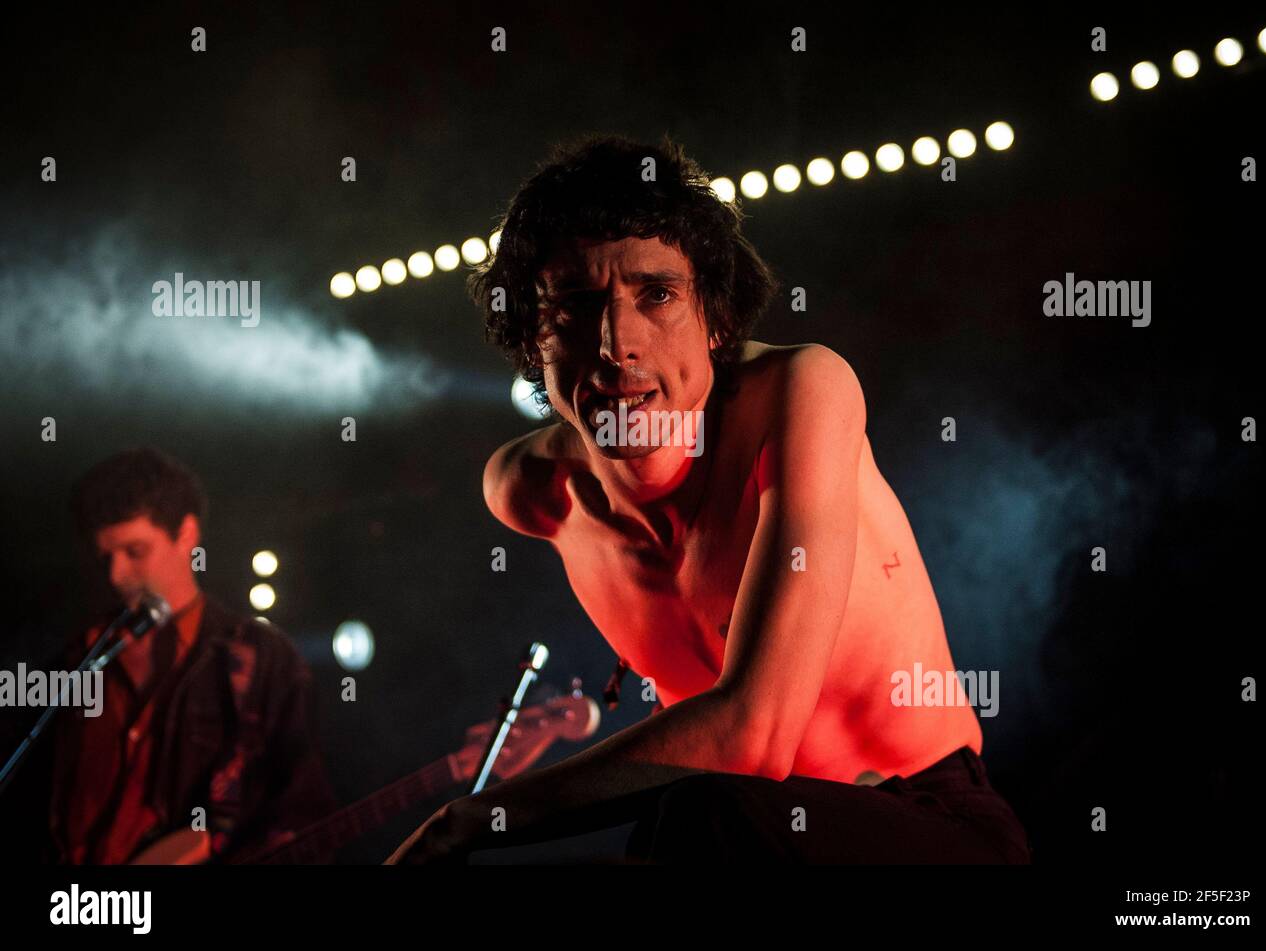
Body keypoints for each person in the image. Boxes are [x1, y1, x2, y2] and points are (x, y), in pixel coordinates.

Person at [388, 134, 1030, 864]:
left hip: (935, 822)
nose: (616, 342)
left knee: (702, 817)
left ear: (718, 320)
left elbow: (751, 735)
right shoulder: (531, 494)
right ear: (534, 339)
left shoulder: (800, 392)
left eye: (656, 294)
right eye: (573, 302)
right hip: (745, 834)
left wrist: (468, 822)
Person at [0, 447, 334, 864]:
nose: (116, 575)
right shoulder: (76, 654)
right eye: (106, 556)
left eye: (135, 551)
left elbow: (300, 813)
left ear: (187, 535)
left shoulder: (261, 660)